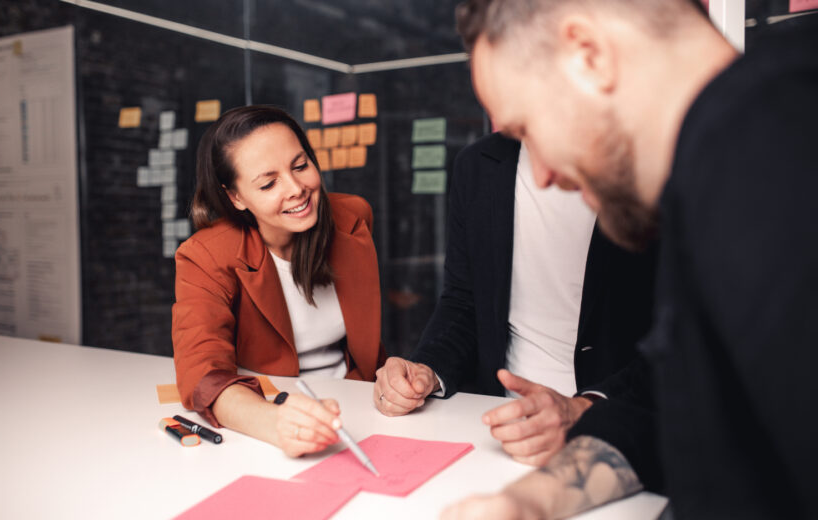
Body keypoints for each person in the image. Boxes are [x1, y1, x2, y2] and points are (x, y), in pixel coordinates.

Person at [442, 0, 818, 518]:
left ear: (589, 54)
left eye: (527, 128)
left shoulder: (774, 145)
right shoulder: (706, 169)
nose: (542, 175)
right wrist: (528, 503)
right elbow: (663, 405)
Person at [373, 134, 657, 467]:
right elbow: (464, 302)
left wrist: (589, 408)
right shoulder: (477, 165)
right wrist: (426, 370)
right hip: (499, 427)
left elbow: (678, 336)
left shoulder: (651, 162)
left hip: (625, 436)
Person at [172, 105, 386, 458]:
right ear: (235, 197)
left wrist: (392, 374)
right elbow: (202, 371)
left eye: (300, 166)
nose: (297, 189)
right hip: (264, 418)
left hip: (357, 410)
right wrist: (274, 423)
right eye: (269, 183)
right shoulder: (206, 255)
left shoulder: (353, 218)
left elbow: (364, 346)